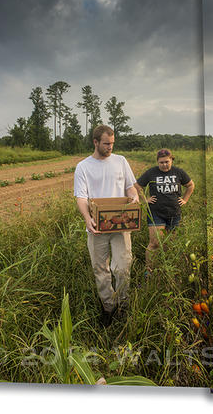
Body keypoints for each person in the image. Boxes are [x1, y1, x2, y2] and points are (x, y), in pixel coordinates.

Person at [73, 125, 139, 327]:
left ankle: (123, 305)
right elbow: (81, 197)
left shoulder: (121, 161)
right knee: (100, 269)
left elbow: (130, 186)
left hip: (120, 225)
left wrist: (134, 197)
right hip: (97, 227)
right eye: (106, 143)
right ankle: (108, 308)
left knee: (122, 267)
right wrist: (87, 218)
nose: (110, 147)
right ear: (95, 142)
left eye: (112, 143)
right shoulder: (83, 166)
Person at [134, 149, 195, 270]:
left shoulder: (179, 172)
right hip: (156, 213)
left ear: (171, 160)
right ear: (157, 162)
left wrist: (185, 199)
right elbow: (137, 185)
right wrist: (145, 199)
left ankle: (165, 268)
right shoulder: (151, 173)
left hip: (174, 213)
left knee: (170, 244)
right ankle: (149, 271)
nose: (164, 165)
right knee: (155, 243)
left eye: (167, 162)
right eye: (161, 162)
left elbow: (190, 185)